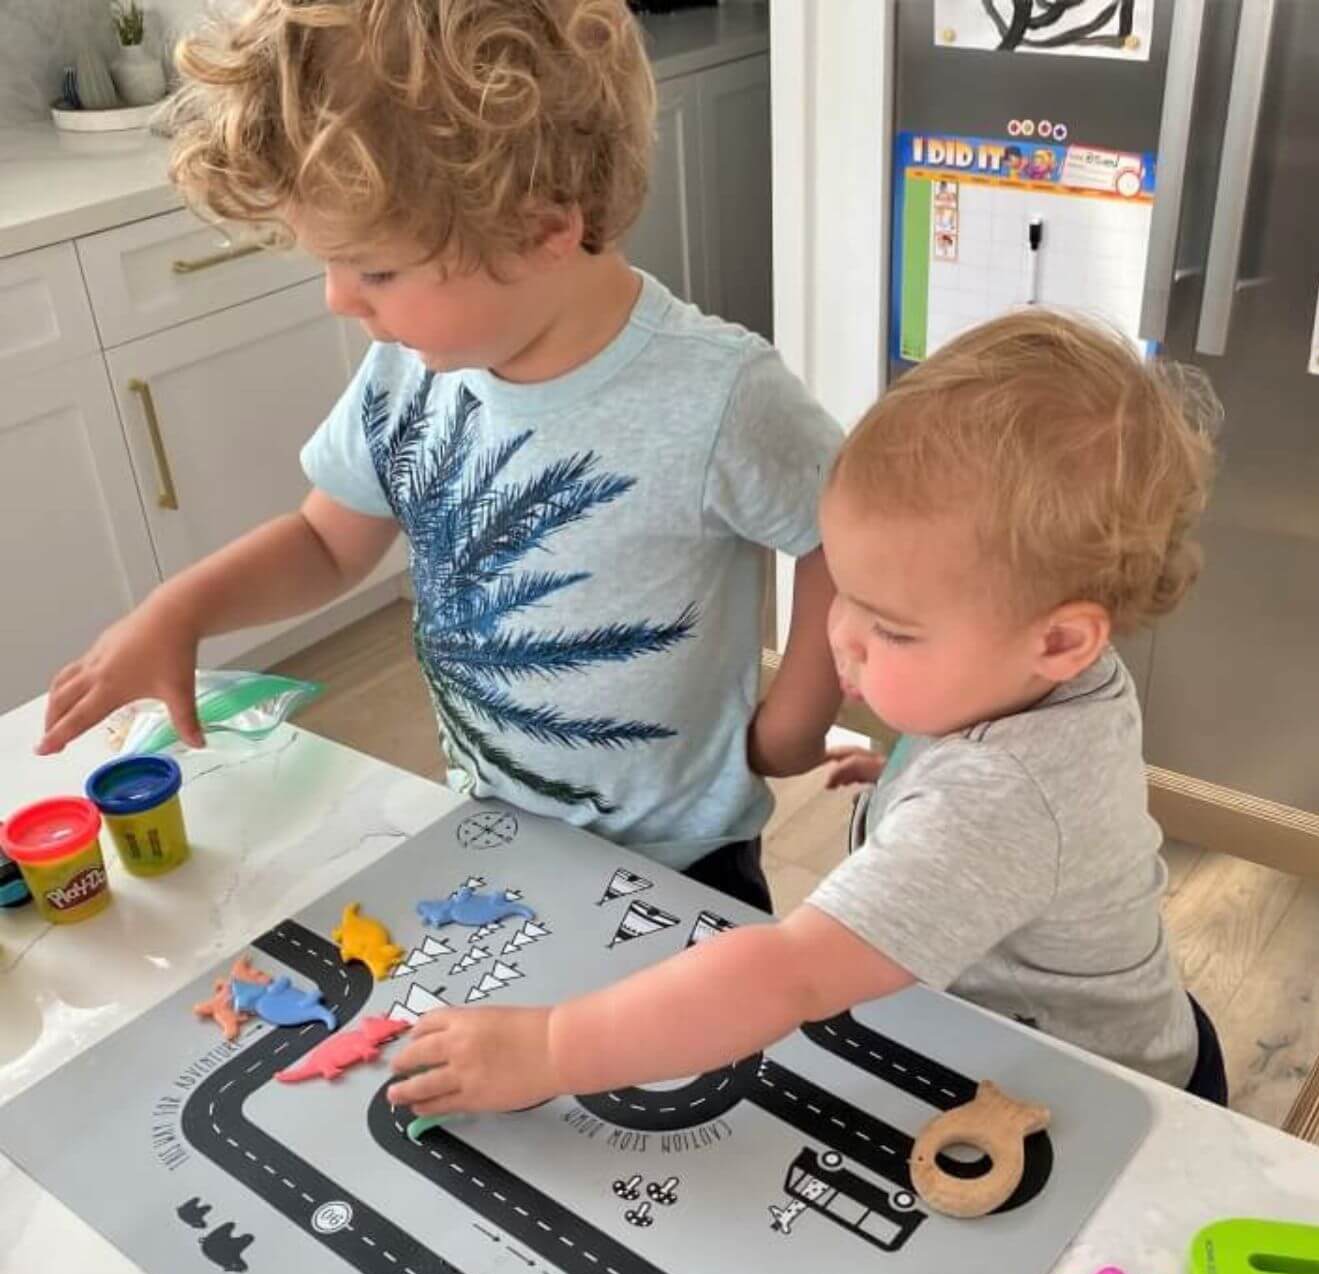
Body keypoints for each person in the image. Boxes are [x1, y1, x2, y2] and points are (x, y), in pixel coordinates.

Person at [36, 0, 843, 913]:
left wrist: (797, 718)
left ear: (544, 227)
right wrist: (183, 609)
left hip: (680, 856)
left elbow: (840, 533)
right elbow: (326, 543)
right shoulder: (410, 372)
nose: (341, 300)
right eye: (329, 266)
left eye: (375, 270)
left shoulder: (720, 394)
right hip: (489, 818)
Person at [388, 309, 1231, 1118]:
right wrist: (913, 777)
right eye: (844, 598)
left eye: (892, 629)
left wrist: (551, 1047)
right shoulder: (1040, 673)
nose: (841, 639)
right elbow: (1024, 799)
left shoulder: (999, 799)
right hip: (1103, 1028)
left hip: (1106, 1096)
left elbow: (789, 974)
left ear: (1060, 642)